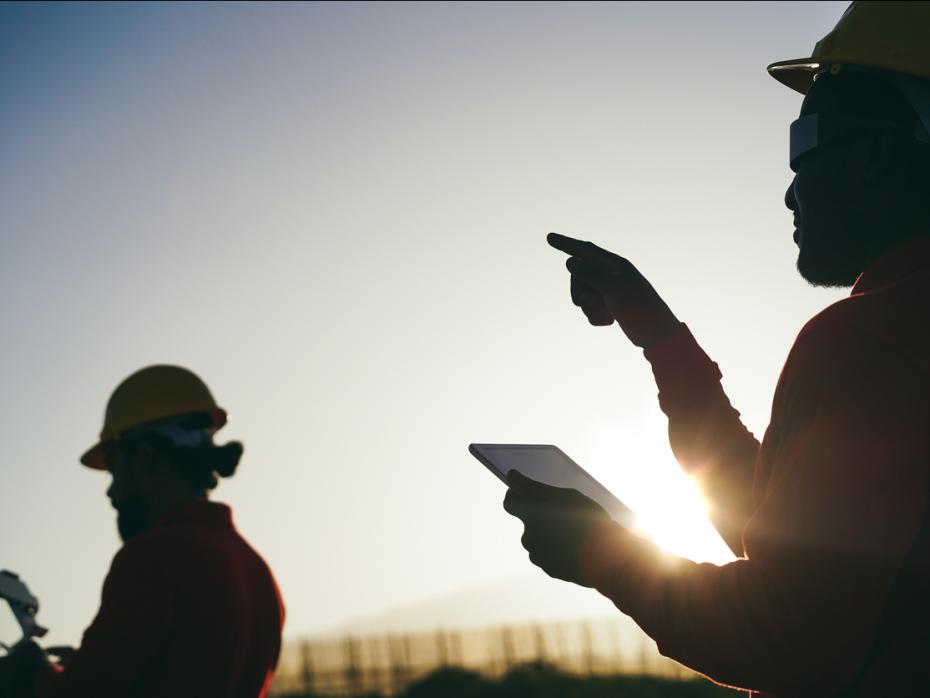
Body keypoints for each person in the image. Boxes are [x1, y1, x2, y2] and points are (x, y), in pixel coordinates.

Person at [503, 3, 930, 697]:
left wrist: (597, 549)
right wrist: (663, 342)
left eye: (805, 142)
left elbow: (783, 636)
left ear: (883, 149)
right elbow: (800, 543)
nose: (791, 191)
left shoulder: (871, 339)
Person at [3, 365, 285, 697]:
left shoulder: (152, 559)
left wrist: (26, 673)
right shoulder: (257, 572)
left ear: (145, 456)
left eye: (114, 470)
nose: (111, 493)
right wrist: (88, 663)